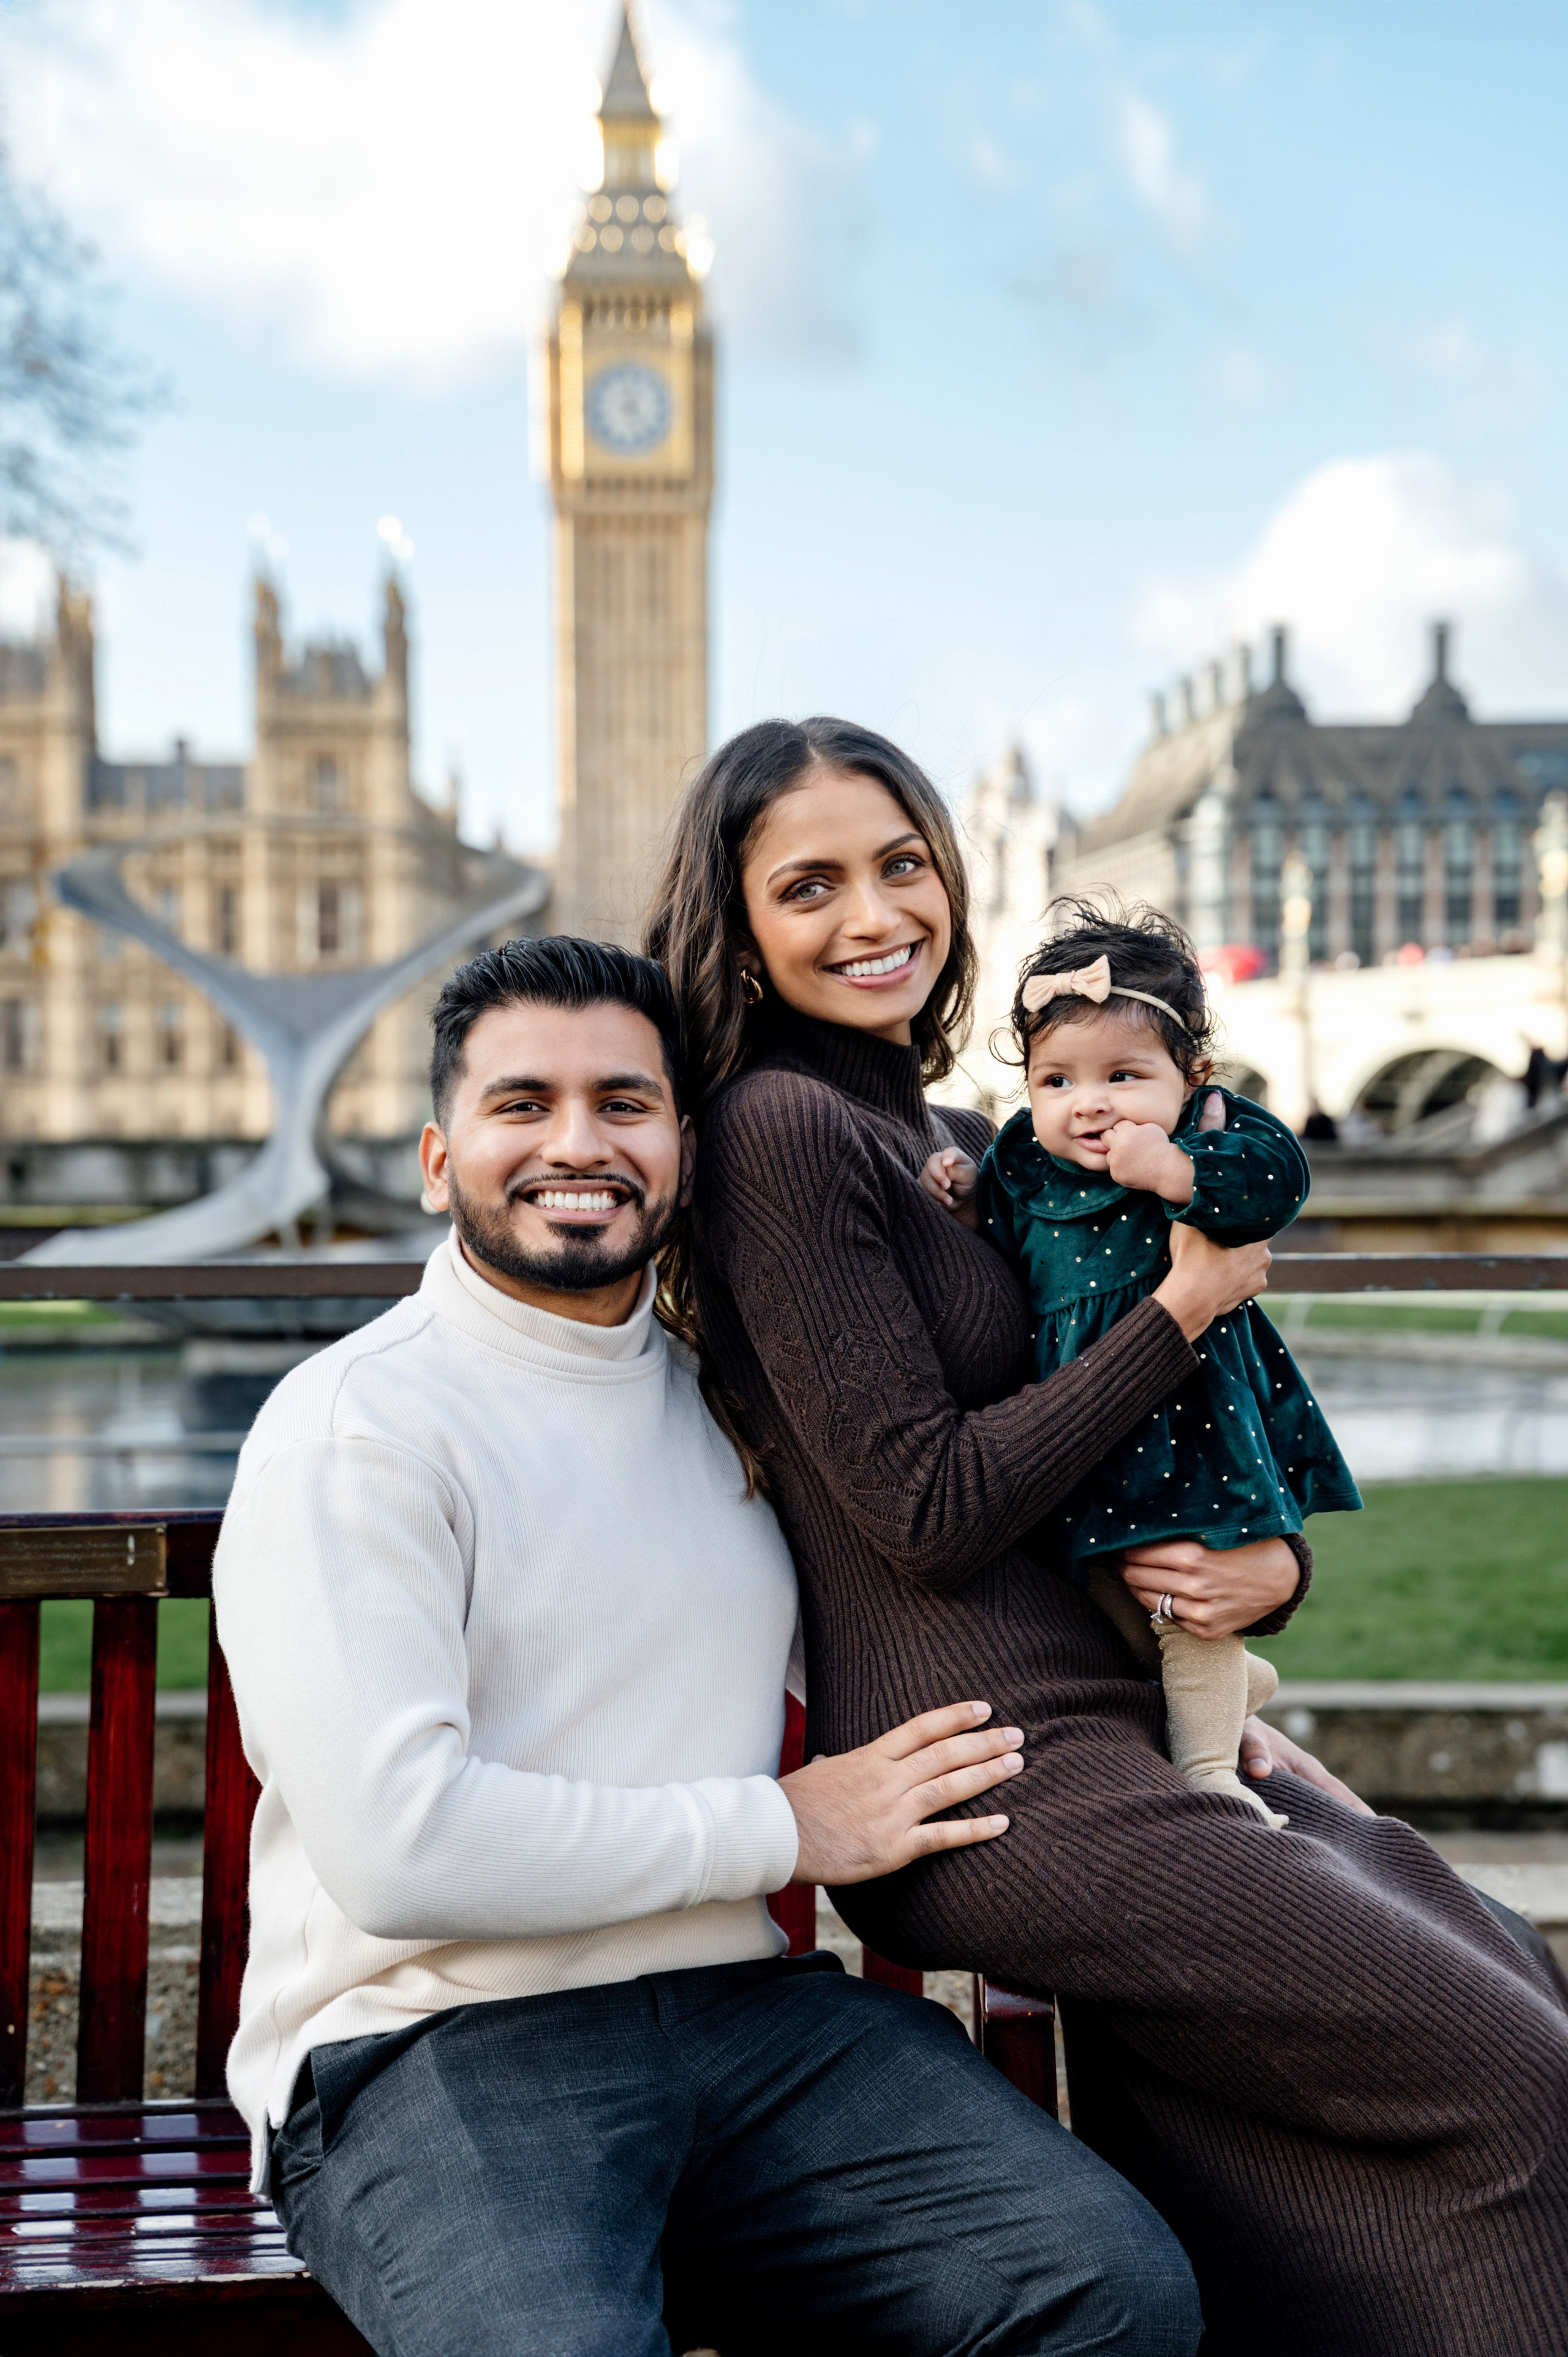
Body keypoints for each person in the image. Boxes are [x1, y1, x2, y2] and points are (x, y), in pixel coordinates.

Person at [645, 716, 1568, 2357]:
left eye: (902, 864)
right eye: (811, 885)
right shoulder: (779, 1131)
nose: (875, 913)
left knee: (1455, 1995)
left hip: (1125, 1720)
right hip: (991, 1773)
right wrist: (1182, 1305)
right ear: (739, 923)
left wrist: (1272, 1570)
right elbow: (925, 1509)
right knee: (1513, 2075)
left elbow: (1143, 1443)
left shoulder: (959, 1141)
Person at [213, 935, 1202, 2357]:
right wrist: (783, 1828)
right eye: (521, 1104)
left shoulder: (728, 1403)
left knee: (1107, 2290)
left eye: (623, 1103)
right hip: (431, 2043)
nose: (577, 1143)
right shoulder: (356, 1427)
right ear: (437, 1160)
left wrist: (1201, 1718)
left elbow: (942, 1630)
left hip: (751, 2024)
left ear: (682, 1155)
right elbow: (399, 1849)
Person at [919, 904, 1360, 1828]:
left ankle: (1210, 1767)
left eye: (1123, 1076)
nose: (1090, 1103)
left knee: (1185, 1596)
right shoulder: (1026, 1161)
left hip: (1189, 1421)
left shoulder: (1211, 1135)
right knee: (1110, 1591)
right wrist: (962, 1208)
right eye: (1057, 1081)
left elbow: (1275, 1184)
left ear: (1191, 1077)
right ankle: (1233, 1688)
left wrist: (1176, 1173)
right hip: (1080, 1428)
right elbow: (1000, 1251)